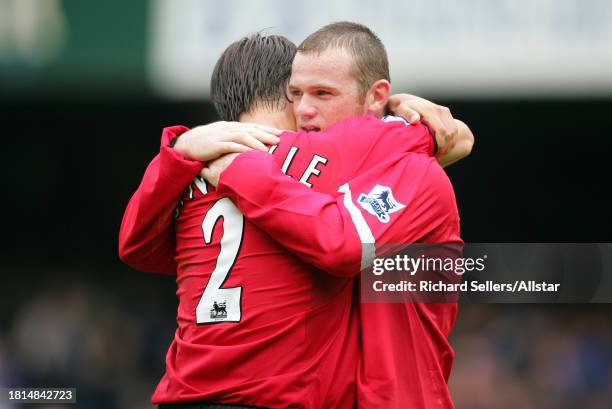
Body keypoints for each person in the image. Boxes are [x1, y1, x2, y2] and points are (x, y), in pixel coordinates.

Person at [120, 25, 472, 409]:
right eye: (297, 94)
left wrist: (178, 149)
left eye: (321, 94)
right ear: (284, 95)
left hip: (184, 395)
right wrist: (418, 125)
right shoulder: (331, 158)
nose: (305, 110)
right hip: (291, 399)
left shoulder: (189, 169)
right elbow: (451, 137)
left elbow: (136, 248)